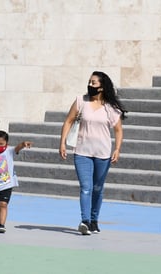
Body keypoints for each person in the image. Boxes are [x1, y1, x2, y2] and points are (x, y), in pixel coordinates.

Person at [59, 71, 127, 236]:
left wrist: (117, 149)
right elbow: (68, 121)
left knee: (97, 188)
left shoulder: (110, 108)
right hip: (82, 151)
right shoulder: (81, 101)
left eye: (94, 83)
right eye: (89, 82)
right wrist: (62, 142)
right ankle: (85, 221)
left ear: (102, 87)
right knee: (86, 188)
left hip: (102, 153)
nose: (90, 85)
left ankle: (94, 220)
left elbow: (118, 130)